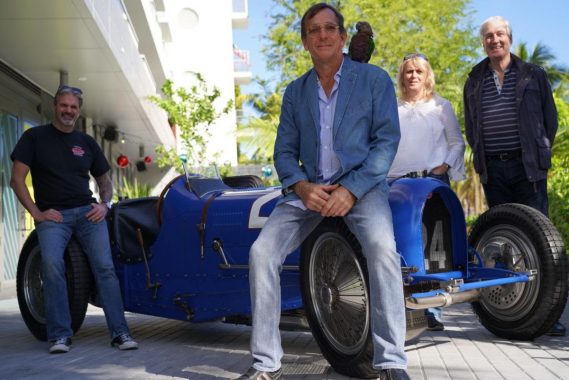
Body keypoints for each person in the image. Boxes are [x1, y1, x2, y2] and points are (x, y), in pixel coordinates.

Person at [237, 3, 409, 380]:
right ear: (305, 42)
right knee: (261, 253)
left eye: (330, 28)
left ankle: (392, 361)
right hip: (308, 192)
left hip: (363, 189)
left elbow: (386, 142)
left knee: (383, 251)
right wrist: (300, 186)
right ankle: (266, 364)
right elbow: (283, 152)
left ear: (344, 37)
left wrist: (351, 189)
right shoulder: (295, 93)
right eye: (314, 30)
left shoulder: (374, 80)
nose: (323, 35)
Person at [10, 85, 139, 353]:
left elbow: (104, 180)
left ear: (79, 111)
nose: (68, 111)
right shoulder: (34, 138)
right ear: (55, 107)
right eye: (64, 105)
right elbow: (16, 180)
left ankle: (120, 333)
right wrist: (37, 213)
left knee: (105, 268)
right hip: (53, 216)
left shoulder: (86, 143)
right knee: (52, 266)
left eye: (73, 107)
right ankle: (59, 335)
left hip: (87, 213)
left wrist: (105, 205)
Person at [463, 16, 564, 337]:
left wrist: (540, 153)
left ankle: (550, 314)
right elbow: (471, 126)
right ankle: (513, 314)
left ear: (509, 38)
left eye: (500, 35)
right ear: (483, 42)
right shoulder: (474, 79)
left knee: (542, 243)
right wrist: (481, 158)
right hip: (494, 169)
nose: (495, 40)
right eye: (489, 36)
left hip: (528, 168)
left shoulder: (534, 75)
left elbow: (550, 119)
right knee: (505, 241)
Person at [388, 53, 466, 331]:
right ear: (402, 77)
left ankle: (433, 308)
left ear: (427, 75)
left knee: (435, 245)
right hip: (396, 184)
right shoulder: (391, 108)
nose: (413, 76)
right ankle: (401, 303)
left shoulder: (441, 106)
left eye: (418, 71)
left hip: (431, 182)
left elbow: (457, 143)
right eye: (408, 71)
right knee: (401, 245)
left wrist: (442, 167)